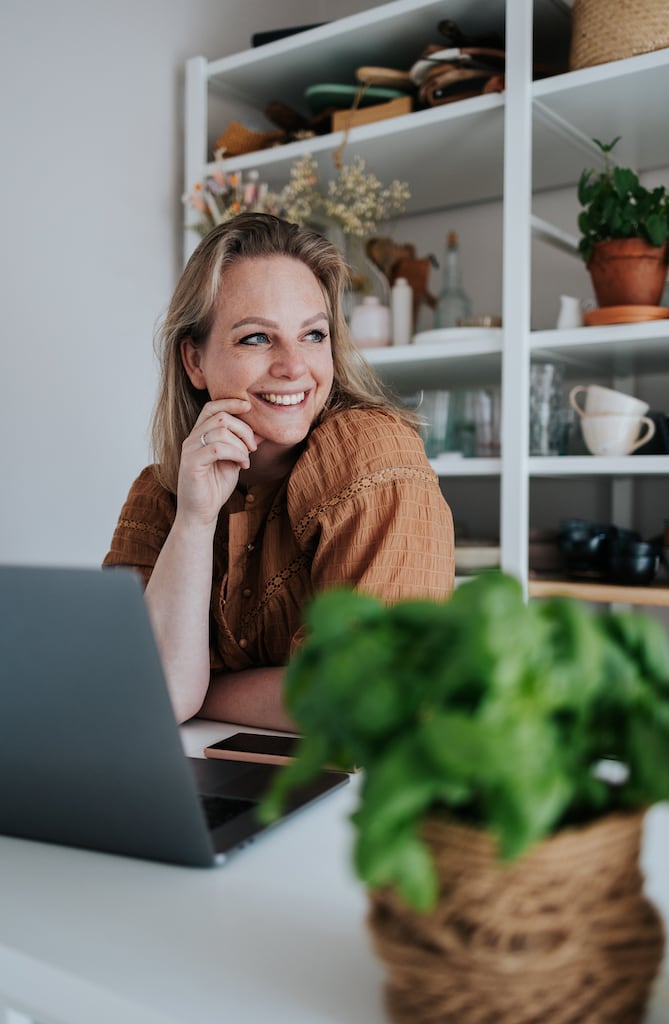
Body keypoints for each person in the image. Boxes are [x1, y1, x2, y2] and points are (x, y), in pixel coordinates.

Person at [104, 213, 455, 730]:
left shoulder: (370, 451)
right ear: (195, 361)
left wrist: (207, 691)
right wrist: (196, 521)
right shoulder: (161, 492)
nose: (294, 365)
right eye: (256, 339)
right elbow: (141, 693)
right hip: (208, 778)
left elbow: (370, 698)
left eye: (313, 335)